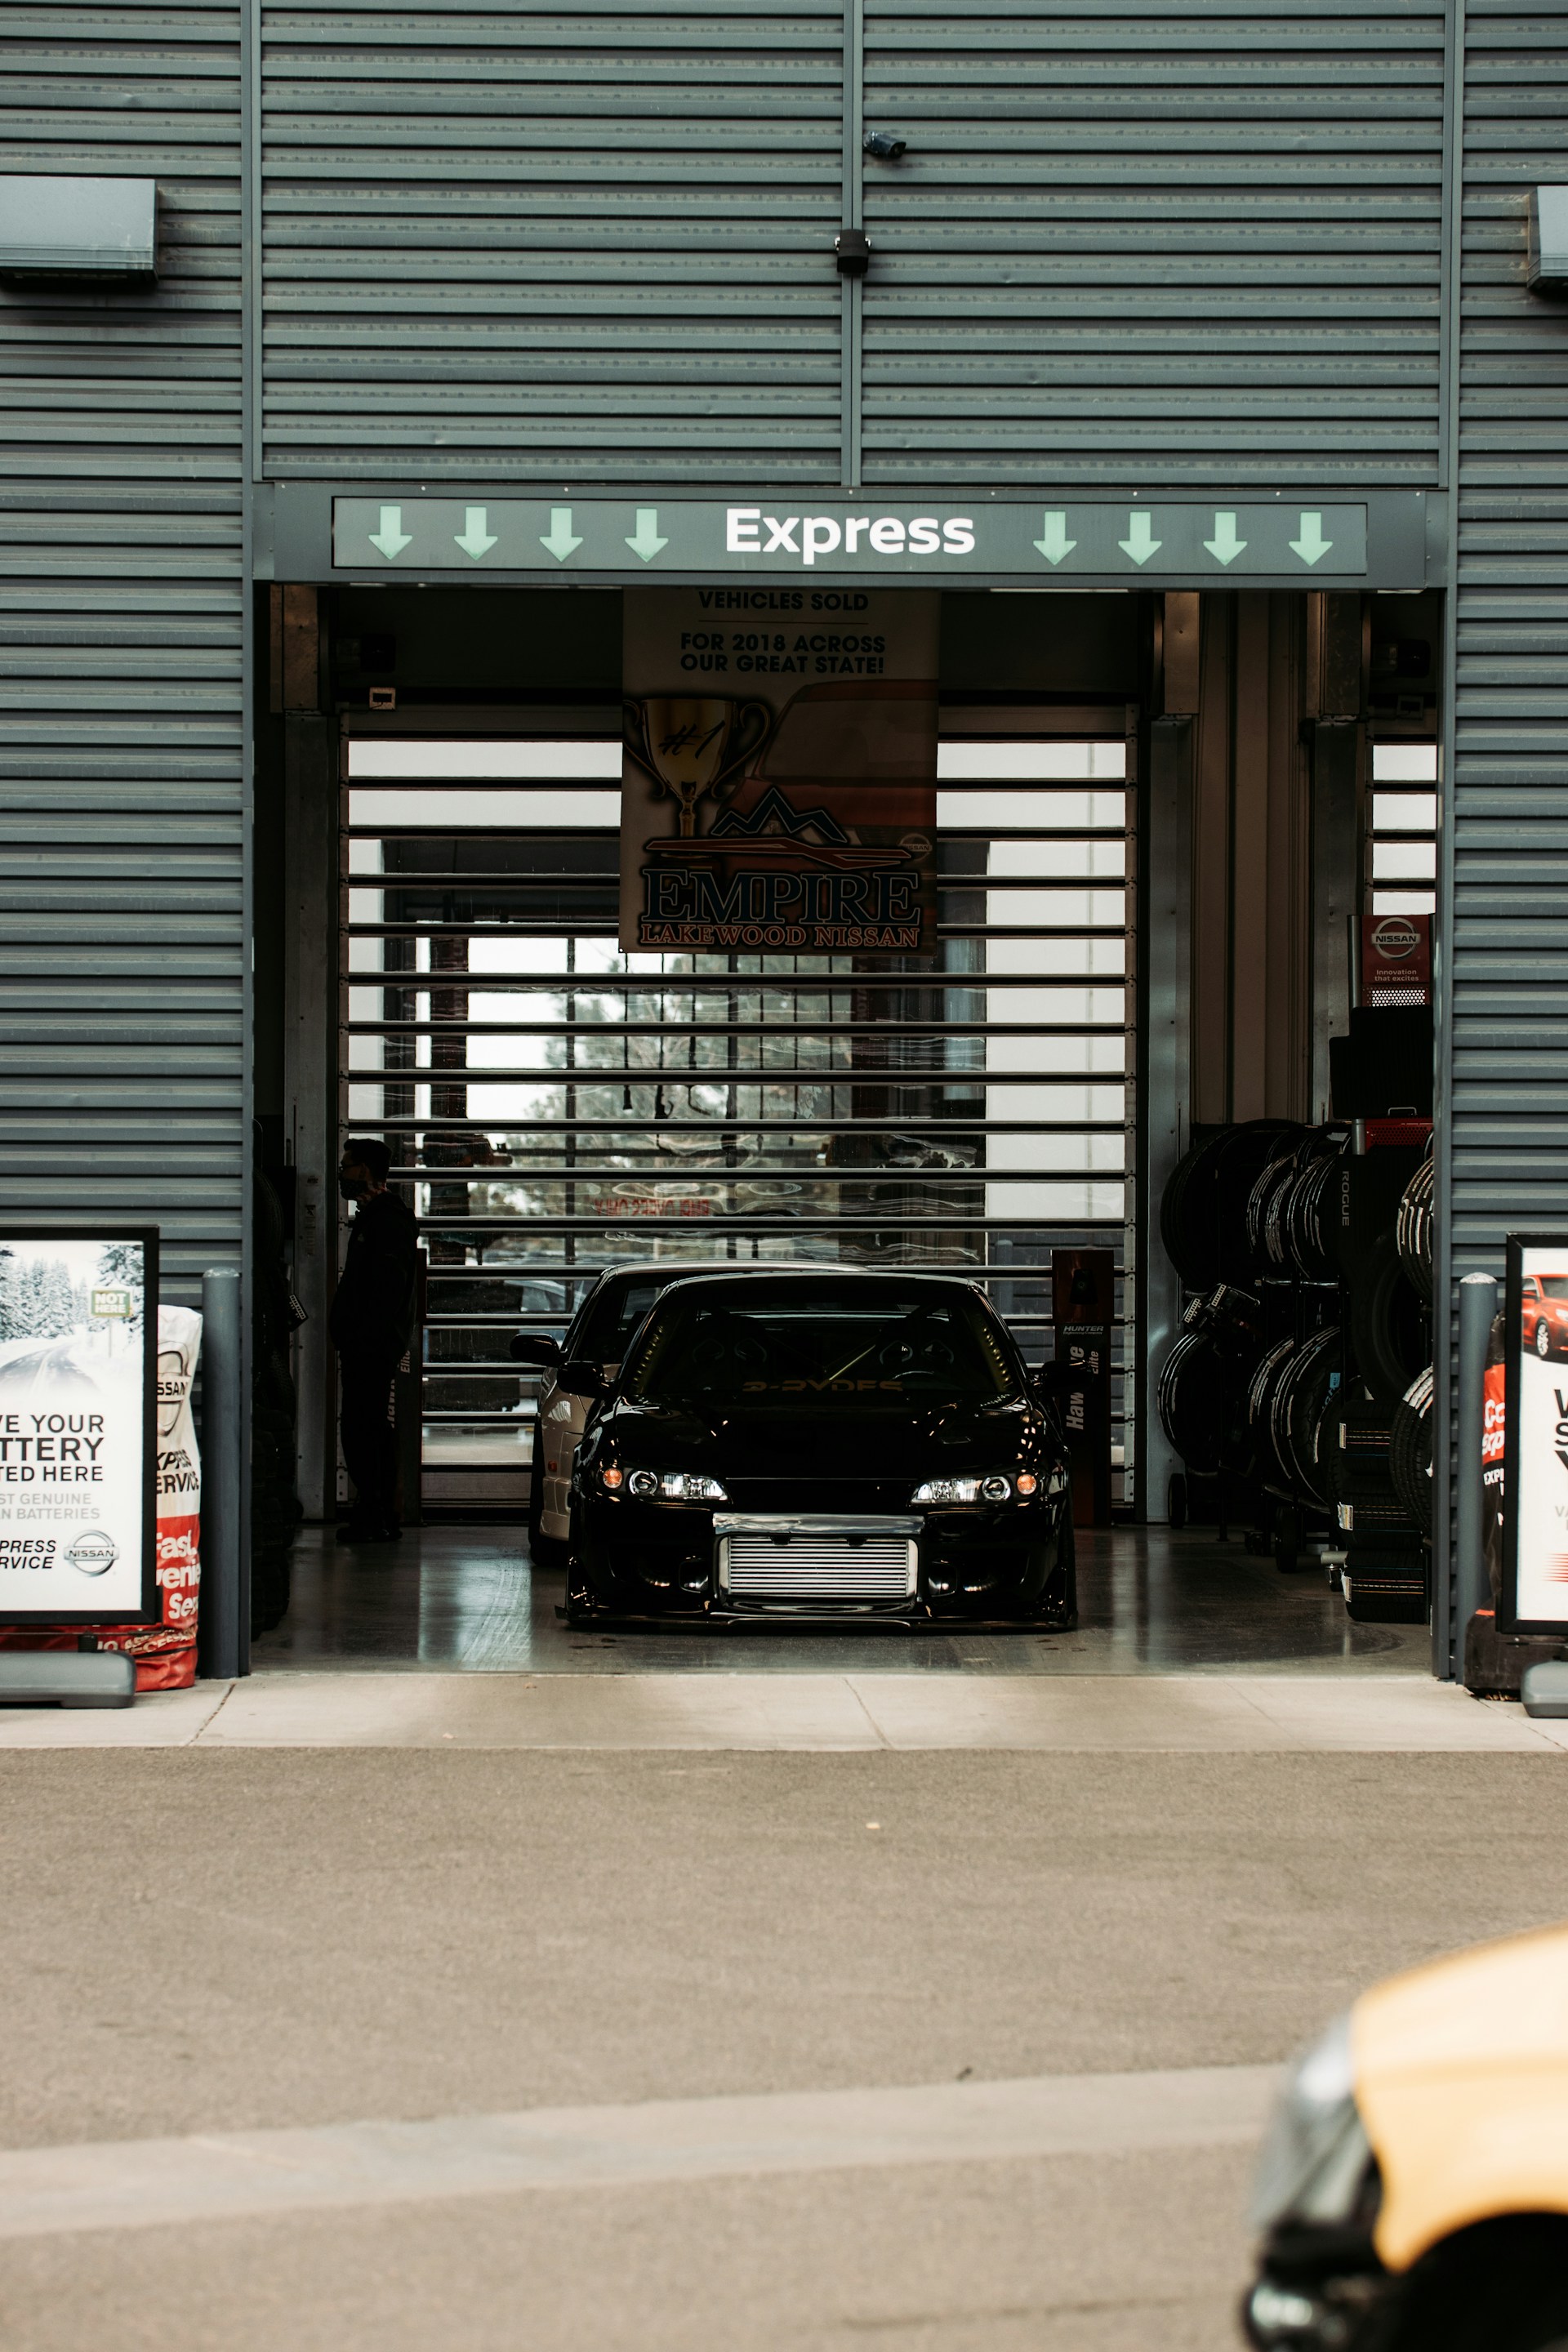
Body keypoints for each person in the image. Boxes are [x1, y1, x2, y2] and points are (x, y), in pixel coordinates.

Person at [329, 1138, 418, 1543]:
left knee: (364, 1428)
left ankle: (377, 1513)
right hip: (367, 1344)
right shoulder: (372, 1216)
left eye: (346, 1166)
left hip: (372, 1347)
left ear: (365, 1170)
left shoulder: (387, 1219)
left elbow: (386, 1289)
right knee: (364, 1427)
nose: (342, 1174)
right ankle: (374, 1510)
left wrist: (365, 1337)